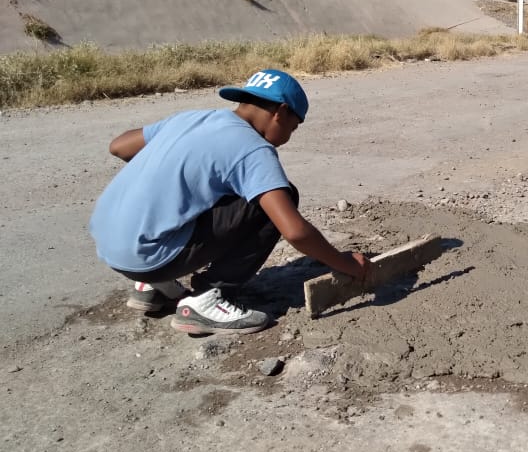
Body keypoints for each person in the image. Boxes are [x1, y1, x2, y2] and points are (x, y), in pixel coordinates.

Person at [89, 69, 371, 335]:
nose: (287, 138)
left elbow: (119, 146)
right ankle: (207, 298)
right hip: (149, 257)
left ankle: (153, 286)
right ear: (281, 112)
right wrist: (345, 264)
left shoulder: (193, 119)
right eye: (293, 128)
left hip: (111, 245)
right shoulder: (252, 149)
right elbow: (295, 231)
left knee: (228, 191)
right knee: (278, 199)